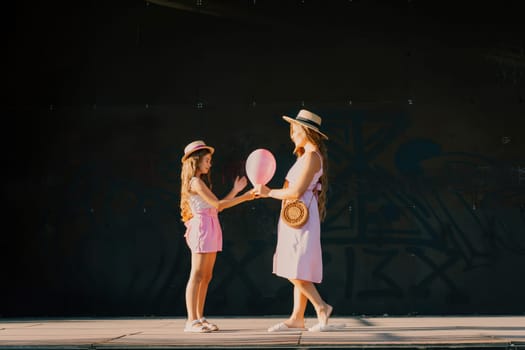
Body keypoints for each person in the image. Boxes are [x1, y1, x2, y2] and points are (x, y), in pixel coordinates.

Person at [255, 109, 333, 332]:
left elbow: (296, 191)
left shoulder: (310, 157)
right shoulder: (306, 156)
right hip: (294, 217)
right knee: (297, 265)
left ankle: (321, 307)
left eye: (295, 130)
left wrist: (268, 192)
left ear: (306, 131)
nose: (292, 135)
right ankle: (297, 317)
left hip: (301, 218)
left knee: (293, 267)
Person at [180, 140, 254, 333]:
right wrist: (246, 196)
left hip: (211, 227)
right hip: (202, 228)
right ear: (195, 161)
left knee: (206, 276)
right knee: (196, 275)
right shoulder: (195, 182)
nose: (209, 164)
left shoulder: (200, 182)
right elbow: (219, 205)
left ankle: (199, 317)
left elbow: (216, 205)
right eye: (207, 160)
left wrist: (236, 191)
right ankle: (191, 320)